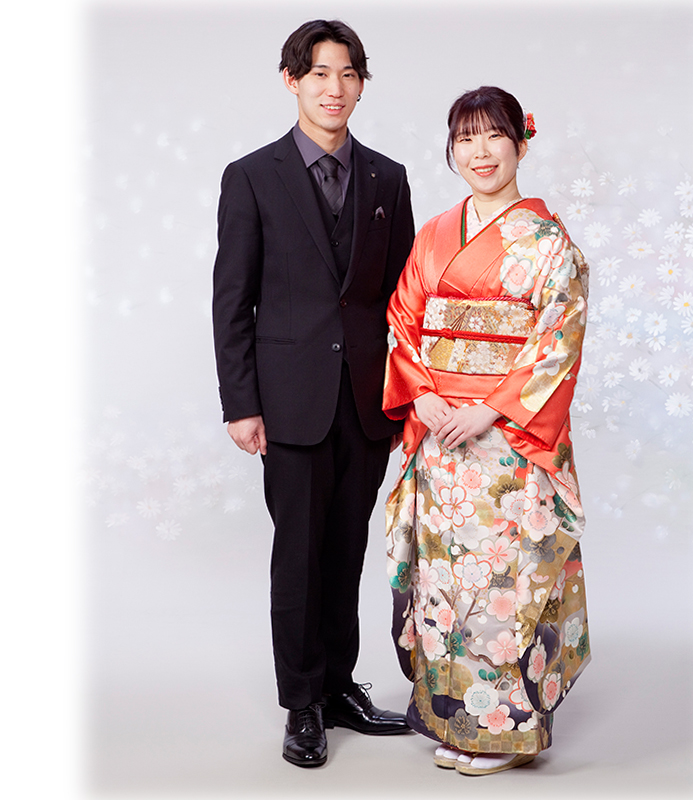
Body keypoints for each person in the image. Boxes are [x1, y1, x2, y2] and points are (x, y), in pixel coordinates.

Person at [212, 19, 415, 768]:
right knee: (297, 557)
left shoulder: (388, 178)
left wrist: (406, 394)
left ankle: (337, 689)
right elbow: (232, 298)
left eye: (348, 74)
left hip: (364, 403)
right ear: (292, 80)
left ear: (362, 85)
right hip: (288, 403)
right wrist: (241, 402)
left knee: (346, 550)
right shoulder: (251, 176)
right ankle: (301, 703)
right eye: (320, 73)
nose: (335, 88)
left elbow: (403, 301)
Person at [383, 86, 591, 776]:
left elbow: (557, 338)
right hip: (441, 435)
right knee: (447, 583)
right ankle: (457, 719)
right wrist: (423, 394)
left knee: (505, 580)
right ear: (452, 150)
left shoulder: (548, 243)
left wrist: (493, 407)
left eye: (493, 135)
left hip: (506, 443)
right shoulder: (436, 234)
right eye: (465, 138)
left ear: (520, 144)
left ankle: (503, 730)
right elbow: (403, 319)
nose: (480, 151)